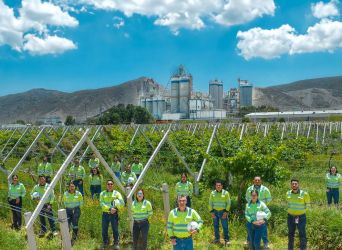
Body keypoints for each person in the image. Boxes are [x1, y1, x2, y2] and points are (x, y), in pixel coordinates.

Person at [245, 176, 272, 249]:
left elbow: (269, 199)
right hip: (252, 209)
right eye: (256, 180)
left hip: (262, 212)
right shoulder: (249, 189)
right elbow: (247, 198)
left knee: (263, 229)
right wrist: (252, 204)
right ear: (253, 181)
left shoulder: (265, 189)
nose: (257, 181)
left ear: (261, 181)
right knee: (251, 232)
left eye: (258, 180)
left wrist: (262, 205)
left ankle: (266, 243)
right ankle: (249, 241)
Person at [100, 180, 125, 249]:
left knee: (115, 229)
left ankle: (116, 243)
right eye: (108, 184)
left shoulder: (117, 193)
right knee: (104, 229)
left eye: (111, 184)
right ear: (106, 185)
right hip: (105, 214)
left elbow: (122, 203)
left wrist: (116, 209)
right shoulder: (102, 193)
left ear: (113, 185)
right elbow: (101, 204)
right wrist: (110, 209)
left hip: (114, 214)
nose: (110, 185)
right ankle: (105, 242)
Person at [287, 178, 311, 250]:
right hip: (290, 217)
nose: (294, 185)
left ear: (298, 184)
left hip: (301, 217)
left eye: (295, 184)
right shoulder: (288, 193)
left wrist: (300, 212)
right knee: (290, 234)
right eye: (292, 184)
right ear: (291, 185)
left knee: (302, 234)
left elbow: (308, 205)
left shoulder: (305, 194)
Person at [209, 180, 231, 246]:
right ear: (215, 186)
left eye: (219, 185)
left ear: (222, 186)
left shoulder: (226, 193)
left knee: (225, 226)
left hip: (223, 212)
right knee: (216, 226)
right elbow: (210, 203)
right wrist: (211, 212)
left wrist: (226, 212)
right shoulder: (212, 193)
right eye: (217, 185)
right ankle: (217, 239)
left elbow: (228, 203)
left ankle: (227, 240)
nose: (218, 186)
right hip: (215, 212)